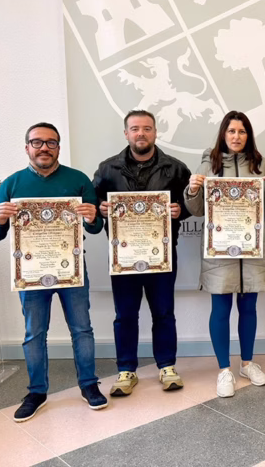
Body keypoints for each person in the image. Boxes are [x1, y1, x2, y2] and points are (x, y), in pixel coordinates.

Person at [0, 122, 107, 421]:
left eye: (50, 143)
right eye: (37, 142)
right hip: (31, 272)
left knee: (82, 329)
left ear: (58, 148)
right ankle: (37, 392)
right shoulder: (11, 184)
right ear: (27, 147)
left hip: (71, 269)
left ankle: (89, 386)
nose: (43, 148)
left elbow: (95, 228)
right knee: (34, 333)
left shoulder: (77, 180)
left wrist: (92, 216)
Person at [184, 111, 265, 397]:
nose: (237, 137)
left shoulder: (263, 164)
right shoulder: (209, 165)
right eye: (231, 131)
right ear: (223, 134)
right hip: (220, 251)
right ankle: (223, 369)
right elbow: (196, 210)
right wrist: (192, 190)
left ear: (248, 135)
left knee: (249, 308)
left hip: (254, 250)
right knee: (220, 309)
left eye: (242, 132)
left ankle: (247, 363)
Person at [92, 110, 191, 396]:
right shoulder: (107, 169)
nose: (141, 134)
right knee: (125, 315)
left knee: (163, 313)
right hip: (123, 257)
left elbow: (193, 204)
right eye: (135, 129)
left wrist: (180, 210)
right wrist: (100, 208)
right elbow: (94, 204)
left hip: (161, 255)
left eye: (147, 128)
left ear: (155, 132)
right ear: (126, 133)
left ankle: (167, 366)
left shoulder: (175, 168)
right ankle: (126, 369)